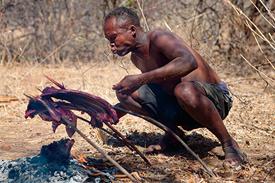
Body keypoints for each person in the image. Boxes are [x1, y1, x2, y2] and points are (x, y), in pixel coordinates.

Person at [103, 7, 246, 167]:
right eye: (109, 40)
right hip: (181, 105)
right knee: (124, 93)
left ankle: (228, 143)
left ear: (132, 30)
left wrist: (139, 79)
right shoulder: (136, 59)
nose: (111, 45)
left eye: (113, 37)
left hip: (214, 101)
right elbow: (155, 91)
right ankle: (173, 135)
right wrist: (111, 112)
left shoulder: (159, 37)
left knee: (184, 90)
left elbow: (188, 62)